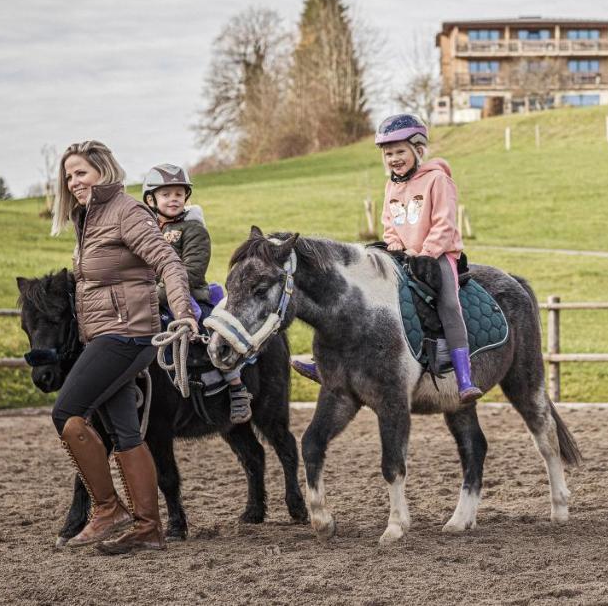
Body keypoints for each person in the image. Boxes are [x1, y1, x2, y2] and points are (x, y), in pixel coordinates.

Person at [49, 140, 196, 554]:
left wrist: (184, 311)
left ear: (103, 171)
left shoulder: (126, 212)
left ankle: (109, 509)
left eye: (81, 172)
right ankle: (149, 527)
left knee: (66, 412)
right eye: (69, 175)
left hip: (127, 334)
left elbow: (169, 262)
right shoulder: (90, 219)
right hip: (106, 334)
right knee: (125, 432)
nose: (74, 181)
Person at [293, 114, 483, 403]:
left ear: (418, 150)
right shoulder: (391, 186)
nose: (394, 159)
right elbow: (390, 226)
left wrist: (424, 254)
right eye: (388, 153)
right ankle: (332, 367)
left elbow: (445, 224)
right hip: (402, 257)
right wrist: (395, 249)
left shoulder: (438, 180)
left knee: (447, 303)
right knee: (362, 296)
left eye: (400, 152)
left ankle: (464, 377)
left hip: (439, 255)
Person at [141, 163, 252, 424]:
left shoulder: (194, 230)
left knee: (212, 333)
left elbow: (190, 271)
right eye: (166, 194)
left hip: (189, 294)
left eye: (179, 194)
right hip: (152, 296)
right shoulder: (148, 231)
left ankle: (236, 386)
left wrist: (152, 295)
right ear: (151, 199)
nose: (173, 199)